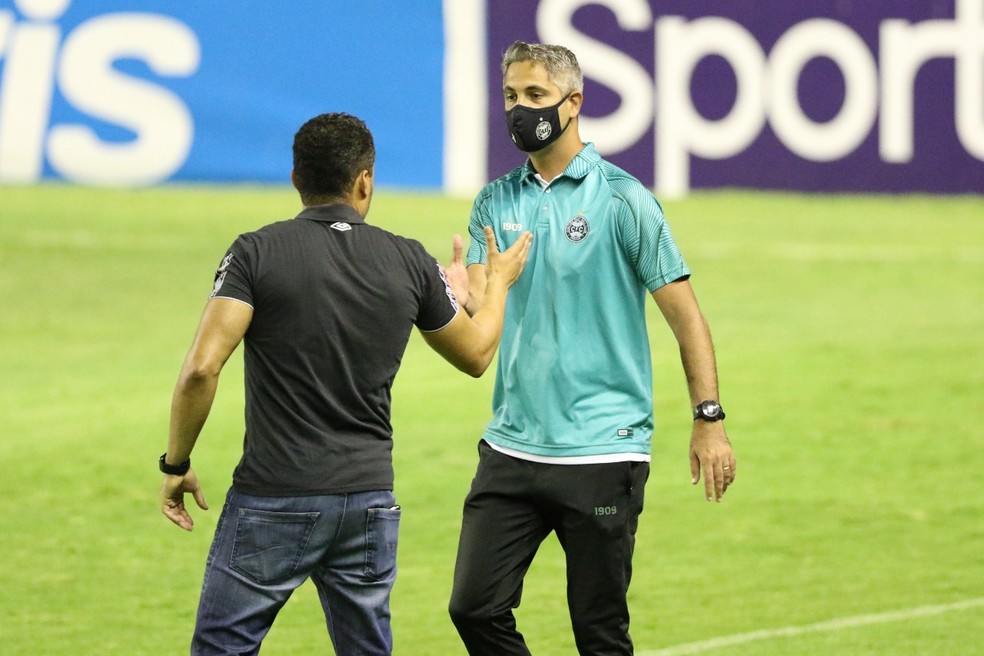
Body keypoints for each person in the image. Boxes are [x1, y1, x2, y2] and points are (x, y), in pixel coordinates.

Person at [158, 112, 532, 656]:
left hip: (273, 497)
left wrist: (176, 464)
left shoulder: (256, 253)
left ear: (296, 178)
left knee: (222, 648)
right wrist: (494, 287)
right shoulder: (409, 259)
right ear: (364, 181)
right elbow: (477, 354)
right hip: (367, 501)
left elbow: (200, 369)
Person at [444, 42, 737, 655]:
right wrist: (459, 296)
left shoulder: (623, 199)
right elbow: (482, 320)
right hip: (512, 445)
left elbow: (687, 318)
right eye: (510, 96)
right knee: (474, 608)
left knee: (599, 635)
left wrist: (708, 419)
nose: (520, 109)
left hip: (603, 449)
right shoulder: (494, 201)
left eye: (535, 95)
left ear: (573, 102)